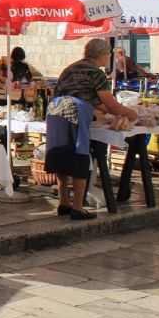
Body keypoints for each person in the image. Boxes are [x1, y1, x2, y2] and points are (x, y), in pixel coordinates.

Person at [45, 38, 137, 220]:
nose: (109, 56)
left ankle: (64, 202)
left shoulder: (70, 68)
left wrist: (107, 112)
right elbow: (110, 105)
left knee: (62, 156)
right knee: (81, 157)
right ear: (102, 54)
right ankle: (78, 207)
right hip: (74, 114)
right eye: (108, 53)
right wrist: (132, 114)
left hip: (54, 111)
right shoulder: (96, 73)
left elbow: (92, 100)